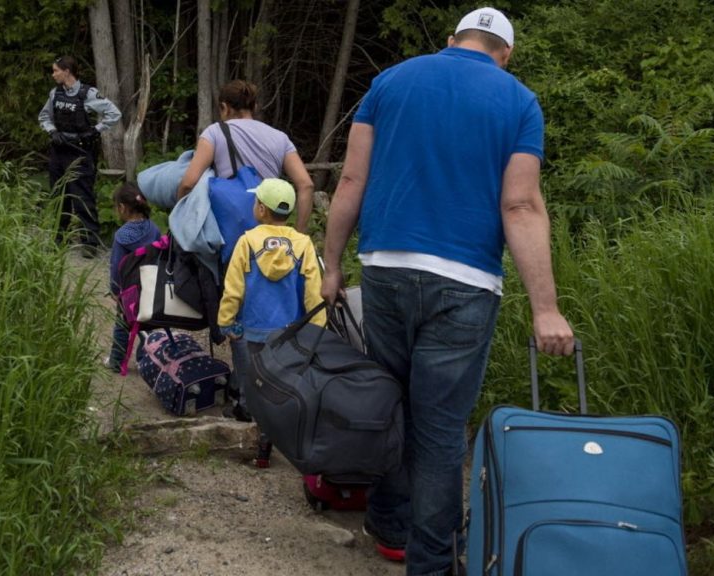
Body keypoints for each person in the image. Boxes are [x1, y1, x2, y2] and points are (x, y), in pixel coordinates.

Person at [320, 7, 574, 576]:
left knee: (391, 404)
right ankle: (430, 562)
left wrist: (331, 265)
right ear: (505, 53)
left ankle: (387, 526)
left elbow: (353, 181)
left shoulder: (390, 81)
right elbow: (520, 204)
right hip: (465, 283)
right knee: (438, 431)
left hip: (384, 266)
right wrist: (546, 307)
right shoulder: (517, 101)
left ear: (451, 39)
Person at [177, 79, 315, 421]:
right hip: (280, 240)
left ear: (224, 107)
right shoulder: (279, 138)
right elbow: (306, 184)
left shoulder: (214, 132)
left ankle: (244, 395)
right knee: (278, 314)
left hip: (237, 240)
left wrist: (181, 210)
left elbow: (190, 181)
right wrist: (298, 232)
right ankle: (272, 390)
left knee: (239, 316)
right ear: (253, 106)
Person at [217, 178, 325, 466]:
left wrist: (226, 322)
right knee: (283, 383)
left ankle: (259, 443)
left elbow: (234, 289)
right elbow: (314, 294)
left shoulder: (247, 241)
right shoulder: (303, 244)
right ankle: (283, 436)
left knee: (254, 384)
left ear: (262, 210)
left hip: (251, 330)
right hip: (289, 333)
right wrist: (317, 332)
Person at [38, 55, 122, 258]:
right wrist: (52, 131)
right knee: (59, 196)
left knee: (83, 197)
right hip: (59, 152)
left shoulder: (88, 94)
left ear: (67, 71)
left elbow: (114, 113)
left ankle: (90, 243)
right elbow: (44, 116)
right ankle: (59, 239)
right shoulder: (55, 94)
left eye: (56, 70)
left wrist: (96, 130)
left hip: (80, 153)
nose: (53, 74)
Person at [106, 183, 161, 373]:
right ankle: (144, 358)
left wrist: (115, 289)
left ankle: (116, 360)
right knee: (147, 322)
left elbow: (116, 266)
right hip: (150, 283)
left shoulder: (121, 236)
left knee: (123, 323)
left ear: (121, 208)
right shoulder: (153, 229)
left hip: (129, 290)